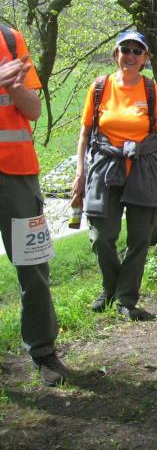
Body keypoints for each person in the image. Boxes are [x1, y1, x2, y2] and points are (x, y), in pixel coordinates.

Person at [72, 31, 157, 321]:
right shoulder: (99, 87)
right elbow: (84, 134)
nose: (130, 55)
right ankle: (111, 288)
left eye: (137, 51)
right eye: (125, 49)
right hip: (105, 167)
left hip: (144, 168)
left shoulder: (152, 90)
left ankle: (126, 299)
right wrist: (80, 173)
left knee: (140, 237)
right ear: (115, 54)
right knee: (101, 236)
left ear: (145, 58)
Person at [0, 25, 69, 386]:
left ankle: (43, 352)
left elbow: (34, 110)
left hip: (18, 173)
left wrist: (14, 87)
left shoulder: (10, 39)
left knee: (33, 266)